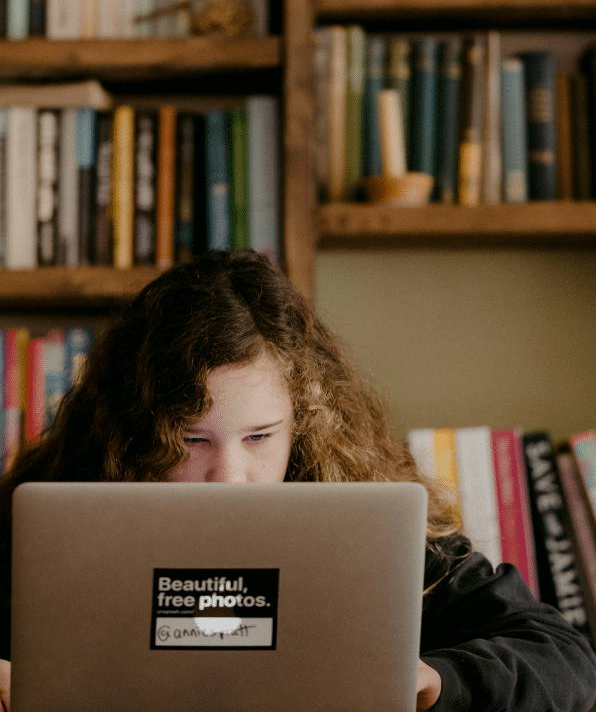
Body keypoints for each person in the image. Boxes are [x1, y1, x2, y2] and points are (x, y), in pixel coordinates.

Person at [0, 248, 594, 712]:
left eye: (259, 437)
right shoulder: (44, 527)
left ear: (305, 426)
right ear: (131, 430)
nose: (229, 478)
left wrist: (438, 681)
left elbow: (563, 657)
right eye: (189, 440)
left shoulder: (362, 524)